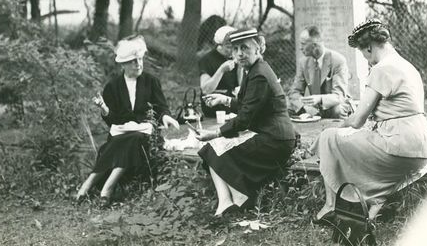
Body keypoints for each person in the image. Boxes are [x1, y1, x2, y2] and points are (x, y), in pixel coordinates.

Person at [312, 19, 427, 222]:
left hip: (398, 147)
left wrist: (341, 124)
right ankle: (376, 200)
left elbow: (358, 119)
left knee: (328, 137)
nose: (366, 59)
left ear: (368, 47)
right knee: (359, 139)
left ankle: (330, 206)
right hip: (421, 149)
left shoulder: (381, 68)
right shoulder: (407, 65)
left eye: (363, 53)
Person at [196, 28, 297, 216]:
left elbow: (244, 119)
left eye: (245, 48)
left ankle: (239, 197)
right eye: (235, 49)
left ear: (258, 49)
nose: (239, 53)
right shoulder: (254, 69)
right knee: (212, 148)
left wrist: (216, 132)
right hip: (271, 136)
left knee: (213, 147)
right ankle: (227, 200)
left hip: (274, 140)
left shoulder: (258, 74)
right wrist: (223, 99)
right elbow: (247, 105)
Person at [75, 36, 179, 207]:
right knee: (127, 140)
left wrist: (166, 117)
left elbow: (161, 107)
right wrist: (104, 108)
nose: (138, 64)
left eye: (139, 59)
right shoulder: (112, 86)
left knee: (136, 138)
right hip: (122, 134)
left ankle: (99, 185)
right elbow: (113, 121)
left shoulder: (151, 81)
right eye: (132, 61)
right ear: (122, 64)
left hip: (146, 135)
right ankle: (101, 186)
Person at [290, 25, 350, 118]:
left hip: (334, 105)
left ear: (314, 45)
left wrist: (320, 99)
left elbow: (339, 96)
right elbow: (294, 92)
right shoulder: (303, 62)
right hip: (313, 107)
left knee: (337, 110)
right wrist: (304, 106)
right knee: (288, 110)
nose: (300, 48)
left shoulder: (338, 60)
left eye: (303, 43)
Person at [199, 25, 242, 117]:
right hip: (215, 109)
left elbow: (240, 86)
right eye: (228, 47)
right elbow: (206, 90)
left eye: (235, 47)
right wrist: (221, 70)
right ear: (220, 45)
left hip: (233, 107)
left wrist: (240, 68)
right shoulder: (207, 60)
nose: (232, 51)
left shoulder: (237, 56)